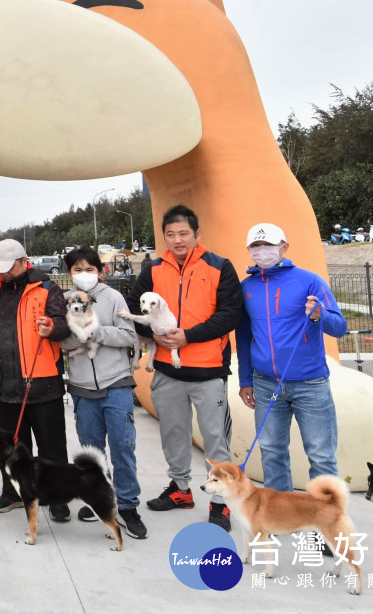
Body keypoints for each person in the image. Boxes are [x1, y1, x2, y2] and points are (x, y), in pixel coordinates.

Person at [127, 205, 241, 531]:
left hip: (208, 372)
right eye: (170, 234)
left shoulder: (219, 267)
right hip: (167, 371)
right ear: (164, 237)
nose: (177, 240)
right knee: (173, 435)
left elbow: (230, 314)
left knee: (215, 439)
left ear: (197, 234)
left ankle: (221, 503)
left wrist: (188, 336)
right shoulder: (153, 269)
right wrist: (158, 337)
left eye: (184, 234)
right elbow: (137, 308)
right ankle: (180, 489)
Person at [235, 223, 347, 491]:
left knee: (320, 454)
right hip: (265, 383)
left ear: (284, 246)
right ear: (249, 250)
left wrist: (320, 314)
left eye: (269, 245)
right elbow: (243, 336)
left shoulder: (309, 281)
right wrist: (245, 380)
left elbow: (339, 327)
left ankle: (326, 516)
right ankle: (280, 512)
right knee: (272, 451)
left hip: (310, 383)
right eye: (256, 246)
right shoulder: (246, 287)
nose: (263, 251)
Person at [0, 238, 72, 520]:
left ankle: (57, 498)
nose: (4, 273)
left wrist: (52, 326)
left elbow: (64, 324)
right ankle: (12, 492)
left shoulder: (46, 288)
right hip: (5, 383)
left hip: (42, 382)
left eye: (9, 267)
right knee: (9, 447)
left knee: (51, 445)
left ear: (23, 261)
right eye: (0, 268)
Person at [59, 246, 147, 539]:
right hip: (82, 386)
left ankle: (128, 505)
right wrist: (76, 336)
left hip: (116, 382)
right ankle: (98, 498)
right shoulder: (65, 300)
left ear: (100, 270)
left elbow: (128, 335)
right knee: (92, 452)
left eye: (89, 269)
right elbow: (61, 343)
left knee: (123, 447)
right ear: (69, 273)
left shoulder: (113, 297)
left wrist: (97, 331)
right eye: (77, 269)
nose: (84, 275)